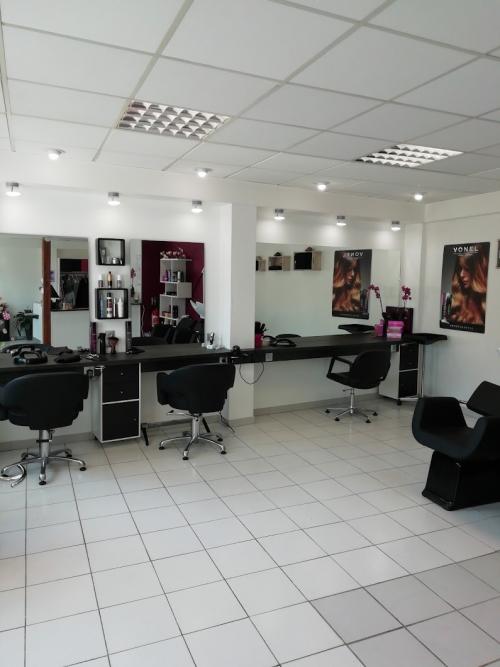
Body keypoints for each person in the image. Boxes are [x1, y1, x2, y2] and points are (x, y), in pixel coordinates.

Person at [449, 247, 488, 326]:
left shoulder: (488, 304)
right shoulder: (455, 304)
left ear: (478, 271)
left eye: (466, 269)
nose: (461, 274)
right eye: (460, 268)